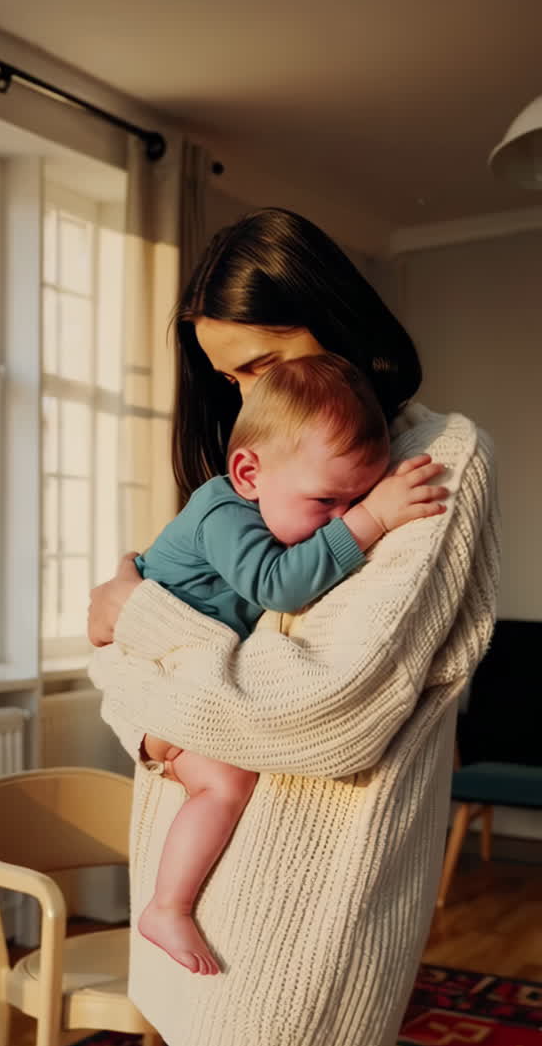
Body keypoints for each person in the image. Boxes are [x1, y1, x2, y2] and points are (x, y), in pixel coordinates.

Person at [88, 208, 499, 1046]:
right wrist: (155, 719)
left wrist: (132, 618)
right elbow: (125, 689)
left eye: (265, 359)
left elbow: (306, 712)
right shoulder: (272, 480)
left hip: (285, 918)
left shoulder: (429, 468)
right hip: (210, 893)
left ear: (333, 318)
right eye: (231, 377)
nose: (249, 394)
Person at [134, 353, 448, 976]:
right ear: (248, 473)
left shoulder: (270, 506)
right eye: (326, 500)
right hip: (153, 670)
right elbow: (277, 587)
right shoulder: (225, 512)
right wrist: (372, 518)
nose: (339, 516)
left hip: (183, 676)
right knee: (226, 783)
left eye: (356, 497)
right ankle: (166, 906)